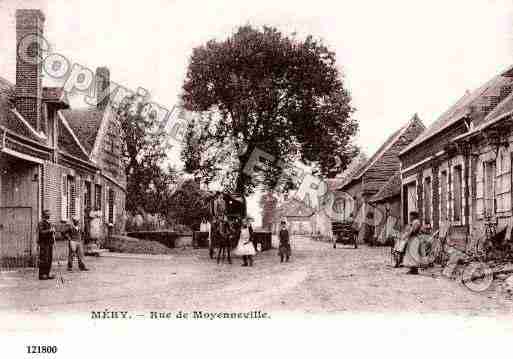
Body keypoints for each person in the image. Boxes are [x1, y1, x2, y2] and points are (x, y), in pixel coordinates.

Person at [37, 210, 55, 280]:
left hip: (50, 243)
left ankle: (47, 273)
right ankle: (42, 274)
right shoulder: (41, 223)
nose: (49, 215)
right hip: (44, 244)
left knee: (49, 259)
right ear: (44, 215)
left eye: (49, 214)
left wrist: (53, 231)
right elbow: (41, 232)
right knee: (44, 259)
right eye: (47, 214)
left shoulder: (50, 223)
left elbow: (51, 232)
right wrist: (50, 230)